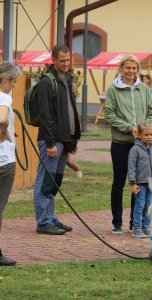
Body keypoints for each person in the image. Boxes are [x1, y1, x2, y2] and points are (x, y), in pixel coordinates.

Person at [104, 54, 152, 234]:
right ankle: (117, 222)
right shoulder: (113, 89)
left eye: (134, 68)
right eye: (128, 68)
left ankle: (136, 223)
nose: (131, 71)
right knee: (119, 182)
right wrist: (128, 128)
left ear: (138, 70)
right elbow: (109, 115)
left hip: (140, 146)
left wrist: (145, 129)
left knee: (139, 184)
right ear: (121, 69)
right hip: (120, 143)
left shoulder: (144, 89)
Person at [33, 44, 81, 235]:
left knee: (55, 180)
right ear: (53, 60)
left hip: (65, 139)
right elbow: (44, 115)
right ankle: (43, 222)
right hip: (51, 141)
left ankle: (51, 217)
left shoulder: (67, 80)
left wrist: (73, 140)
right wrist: (51, 143)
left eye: (68, 60)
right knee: (45, 180)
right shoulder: (46, 82)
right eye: (62, 61)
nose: (66, 63)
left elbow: (70, 111)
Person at [0, 61, 21, 266]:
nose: (14, 85)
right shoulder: (4, 97)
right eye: (13, 81)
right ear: (5, 80)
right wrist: (4, 133)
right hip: (4, 161)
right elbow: (2, 119)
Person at [128, 121, 152, 238]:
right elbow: (131, 167)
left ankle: (146, 226)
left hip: (151, 183)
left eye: (151, 134)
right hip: (140, 183)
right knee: (140, 205)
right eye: (146, 135)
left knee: (149, 205)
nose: (149, 137)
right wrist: (132, 183)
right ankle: (136, 228)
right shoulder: (135, 150)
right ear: (139, 135)